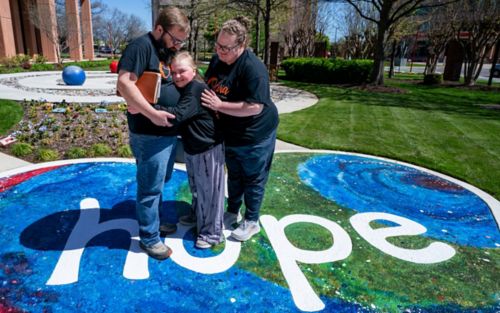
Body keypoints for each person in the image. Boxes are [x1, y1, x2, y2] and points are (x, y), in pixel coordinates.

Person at [116, 7, 190, 260]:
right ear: (159, 29)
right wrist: (152, 114)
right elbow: (124, 82)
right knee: (149, 187)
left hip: (166, 133)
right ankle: (149, 238)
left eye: (181, 41)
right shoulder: (140, 46)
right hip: (149, 133)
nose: (177, 45)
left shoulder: (163, 51)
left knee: (160, 181)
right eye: (175, 39)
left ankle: (155, 223)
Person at [200, 17, 279, 242]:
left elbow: (254, 107)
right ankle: (233, 210)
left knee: (253, 177)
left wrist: (220, 105)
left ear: (241, 45)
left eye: (226, 48)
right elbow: (208, 87)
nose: (220, 51)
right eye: (218, 45)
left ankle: (252, 220)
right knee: (234, 174)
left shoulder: (253, 68)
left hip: (256, 133)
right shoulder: (217, 61)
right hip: (230, 133)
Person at [158, 51, 225, 249]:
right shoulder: (187, 88)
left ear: (194, 71)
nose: (177, 76)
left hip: (208, 147)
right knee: (198, 188)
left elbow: (177, 115)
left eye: (182, 71)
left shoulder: (195, 88)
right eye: (174, 72)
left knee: (210, 192)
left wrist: (148, 107)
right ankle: (198, 216)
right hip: (194, 147)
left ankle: (212, 233)